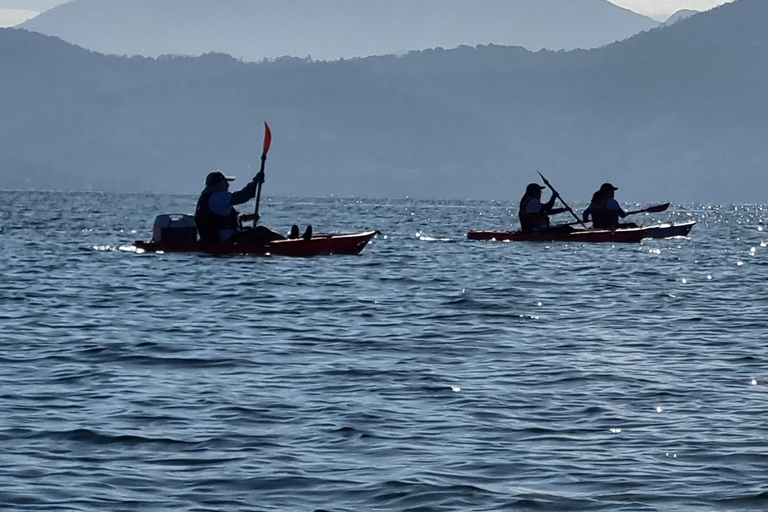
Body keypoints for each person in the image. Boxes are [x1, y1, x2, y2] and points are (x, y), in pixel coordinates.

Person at [195, 170, 311, 243]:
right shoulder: (217, 197)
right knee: (261, 231)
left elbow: (224, 219)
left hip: (222, 238)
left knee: (254, 231)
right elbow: (243, 196)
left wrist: (248, 217)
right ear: (217, 184)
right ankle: (289, 242)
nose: (228, 185)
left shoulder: (207, 198)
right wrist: (255, 182)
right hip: (226, 241)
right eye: (225, 182)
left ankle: (289, 239)